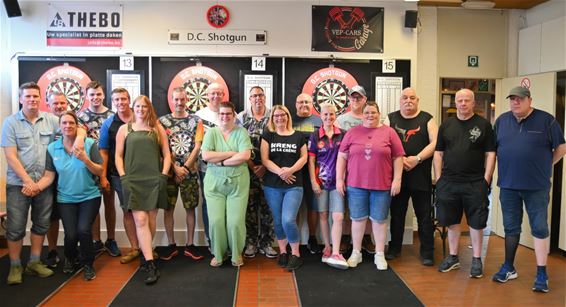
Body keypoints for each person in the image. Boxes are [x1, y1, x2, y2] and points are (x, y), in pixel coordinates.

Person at [1, 82, 80, 285]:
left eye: (35, 96)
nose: (32, 100)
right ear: (21, 99)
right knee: (16, 227)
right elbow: (10, 156)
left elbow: (74, 129)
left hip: (44, 184)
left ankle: (34, 262)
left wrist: (79, 139)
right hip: (18, 184)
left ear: (40, 98)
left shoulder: (52, 120)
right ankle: (15, 266)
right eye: (27, 96)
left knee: (41, 224)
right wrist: (28, 182)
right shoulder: (10, 123)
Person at [492, 86, 566, 292]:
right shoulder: (501, 121)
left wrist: (547, 164)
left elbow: (562, 147)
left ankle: (542, 273)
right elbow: (493, 150)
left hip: (537, 186)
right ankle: (508, 267)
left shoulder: (547, 120)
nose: (516, 102)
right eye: (512, 98)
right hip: (508, 185)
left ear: (529, 100)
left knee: (540, 228)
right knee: (510, 228)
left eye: (520, 99)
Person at [433, 88, 496, 279]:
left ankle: (477, 259)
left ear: (473, 103)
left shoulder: (484, 125)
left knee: (476, 223)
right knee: (452, 221)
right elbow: (438, 152)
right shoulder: (446, 125)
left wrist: (486, 179)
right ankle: (453, 257)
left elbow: (491, 153)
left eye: (466, 100)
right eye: (459, 100)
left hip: (475, 182)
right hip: (449, 182)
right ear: (455, 103)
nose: (463, 103)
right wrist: (439, 177)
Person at [336, 101, 404, 270]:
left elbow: (398, 158)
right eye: (367, 112)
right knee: (357, 219)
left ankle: (379, 254)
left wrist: (397, 180)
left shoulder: (389, 133)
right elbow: (342, 157)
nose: (370, 115)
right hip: (356, 185)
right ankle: (356, 252)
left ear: (379, 114)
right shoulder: (352, 133)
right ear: (362, 114)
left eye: (373, 112)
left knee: (379, 220)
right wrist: (339, 179)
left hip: (382, 185)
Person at [35, 111, 103, 281]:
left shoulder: (89, 144)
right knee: (71, 233)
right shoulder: (52, 148)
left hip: (90, 196)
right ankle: (71, 258)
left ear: (77, 125)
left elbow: (100, 170)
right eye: (64, 123)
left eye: (71, 123)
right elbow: (49, 176)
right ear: (60, 126)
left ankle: (88, 263)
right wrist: (34, 187)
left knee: (83, 230)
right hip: (66, 199)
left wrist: (86, 159)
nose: (67, 126)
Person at [115, 95, 171, 285]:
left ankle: (146, 251)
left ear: (149, 109)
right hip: (133, 180)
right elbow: (118, 156)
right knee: (140, 219)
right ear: (133, 108)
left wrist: (163, 175)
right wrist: (124, 176)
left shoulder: (157, 129)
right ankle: (150, 262)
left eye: (144, 106)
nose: (140, 109)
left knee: (152, 220)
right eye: (137, 106)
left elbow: (167, 154)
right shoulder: (125, 129)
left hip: (154, 179)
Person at [386, 88, 437, 266]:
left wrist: (417, 158)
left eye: (412, 98)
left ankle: (427, 253)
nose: (408, 101)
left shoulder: (427, 119)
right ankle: (394, 249)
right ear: (400, 100)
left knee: (424, 216)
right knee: (397, 215)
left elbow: (435, 143)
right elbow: (384, 142)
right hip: (397, 177)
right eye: (405, 98)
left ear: (417, 100)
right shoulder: (390, 118)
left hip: (420, 175)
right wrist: (400, 160)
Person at [201, 102, 252, 267]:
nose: (224, 117)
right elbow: (206, 156)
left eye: (228, 114)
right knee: (215, 221)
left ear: (234, 115)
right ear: (218, 115)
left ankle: (236, 254)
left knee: (235, 221)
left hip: (238, 183)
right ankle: (218, 254)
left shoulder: (241, 132)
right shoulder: (211, 133)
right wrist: (231, 153)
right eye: (222, 114)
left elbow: (244, 155)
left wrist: (222, 162)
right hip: (214, 184)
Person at [158, 87, 204, 261]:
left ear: (187, 100)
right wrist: (174, 168)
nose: (179, 102)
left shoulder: (196, 121)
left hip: (189, 172)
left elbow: (198, 146)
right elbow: (161, 148)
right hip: (169, 172)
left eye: (182, 99)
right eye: (176, 99)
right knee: (168, 208)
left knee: (190, 208)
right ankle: (171, 244)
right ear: (171, 100)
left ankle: (190, 244)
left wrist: (184, 167)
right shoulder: (161, 122)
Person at [261, 105, 308, 271]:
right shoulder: (268, 135)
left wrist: (290, 171)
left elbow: (304, 158)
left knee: (288, 219)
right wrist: (281, 172)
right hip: (272, 185)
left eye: (282, 115)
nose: (279, 118)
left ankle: (295, 254)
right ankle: (283, 251)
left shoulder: (298, 136)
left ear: (288, 116)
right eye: (276, 116)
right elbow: (265, 159)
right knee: (278, 219)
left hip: (294, 185)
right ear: (272, 118)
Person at [77, 81, 119, 257]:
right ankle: (96, 241)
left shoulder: (113, 116)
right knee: (92, 205)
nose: (95, 98)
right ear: (87, 96)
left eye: (98, 94)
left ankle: (111, 239)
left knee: (109, 203)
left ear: (103, 95)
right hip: (89, 166)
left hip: (109, 166)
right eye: (92, 94)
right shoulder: (80, 117)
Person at [99, 88, 141, 264]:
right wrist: (103, 176)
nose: (120, 102)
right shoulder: (108, 124)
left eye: (123, 99)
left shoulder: (141, 118)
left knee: (145, 211)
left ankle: (147, 247)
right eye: (116, 100)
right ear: (112, 102)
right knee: (128, 210)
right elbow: (104, 153)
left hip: (141, 173)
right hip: (118, 175)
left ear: (129, 100)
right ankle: (134, 248)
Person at [238, 86, 278, 259]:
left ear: (265, 97)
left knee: (269, 208)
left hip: (270, 170)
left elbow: (279, 141)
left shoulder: (274, 116)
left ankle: (267, 243)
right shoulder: (241, 118)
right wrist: (252, 165)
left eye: (260, 95)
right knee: (250, 208)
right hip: (248, 169)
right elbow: (238, 143)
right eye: (254, 95)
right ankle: (251, 242)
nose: (257, 98)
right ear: (250, 98)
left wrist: (265, 166)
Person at [335, 85, 376, 254]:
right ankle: (346, 237)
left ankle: (366, 238)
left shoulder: (373, 118)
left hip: (369, 170)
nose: (355, 100)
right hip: (348, 169)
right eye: (353, 97)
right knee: (346, 207)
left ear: (365, 99)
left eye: (359, 97)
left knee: (365, 207)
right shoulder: (341, 120)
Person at [308, 103, 348, 269]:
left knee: (338, 216)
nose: (328, 118)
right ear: (320, 116)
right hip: (321, 183)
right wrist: (313, 182)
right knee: (323, 215)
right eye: (325, 115)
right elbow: (311, 161)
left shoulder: (343, 135)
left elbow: (347, 158)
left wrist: (343, 179)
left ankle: (336, 252)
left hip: (338, 183)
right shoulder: (315, 135)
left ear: (336, 115)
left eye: (331, 114)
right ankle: (327, 247)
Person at [195, 82, 225, 248]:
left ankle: (225, 239)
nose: (215, 96)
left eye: (219, 93)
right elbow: (197, 143)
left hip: (228, 167)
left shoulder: (229, 113)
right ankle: (211, 240)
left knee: (226, 204)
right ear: (206, 95)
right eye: (212, 93)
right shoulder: (199, 115)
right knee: (208, 203)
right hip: (206, 168)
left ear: (223, 95)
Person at [292, 93, 322, 253]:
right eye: (300, 102)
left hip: (313, 169)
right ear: (295, 104)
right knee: (294, 206)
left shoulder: (320, 121)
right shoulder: (289, 119)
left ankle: (312, 237)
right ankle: (294, 239)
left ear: (312, 104)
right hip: (294, 170)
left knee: (313, 206)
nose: (304, 104)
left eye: (307, 102)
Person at [44, 91, 69, 269]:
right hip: (50, 178)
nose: (59, 106)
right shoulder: (44, 123)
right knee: (52, 217)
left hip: (70, 179)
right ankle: (52, 251)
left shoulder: (73, 121)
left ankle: (71, 252)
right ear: (48, 104)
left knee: (70, 218)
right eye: (55, 103)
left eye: (62, 103)